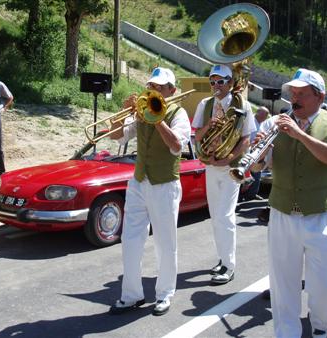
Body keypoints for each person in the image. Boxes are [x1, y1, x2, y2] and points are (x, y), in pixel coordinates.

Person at [255, 68, 327, 338]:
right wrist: (257, 153)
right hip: (281, 214)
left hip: (318, 215)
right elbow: (257, 165)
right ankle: (287, 333)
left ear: (319, 96)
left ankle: (320, 326)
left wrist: (300, 135)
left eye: (301, 94)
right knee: (282, 284)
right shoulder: (275, 123)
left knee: (323, 286)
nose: (294, 99)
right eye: (292, 93)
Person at [108, 67, 191, 316]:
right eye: (151, 85)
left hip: (165, 183)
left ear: (171, 91)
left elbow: (177, 146)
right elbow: (116, 137)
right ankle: (131, 295)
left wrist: (157, 119)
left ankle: (164, 294)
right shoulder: (141, 110)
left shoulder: (179, 112)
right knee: (130, 240)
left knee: (165, 243)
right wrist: (123, 113)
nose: (153, 90)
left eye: (159, 87)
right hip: (138, 181)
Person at [192, 64, 256, 285]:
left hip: (230, 167)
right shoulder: (204, 104)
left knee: (226, 215)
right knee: (215, 215)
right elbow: (197, 137)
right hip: (211, 164)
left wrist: (229, 158)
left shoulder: (243, 105)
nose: (216, 86)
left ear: (230, 83)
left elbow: (247, 139)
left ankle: (229, 266)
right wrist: (210, 124)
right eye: (212, 82)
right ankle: (223, 258)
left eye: (221, 82)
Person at [244, 106, 270, 201]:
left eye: (266, 115)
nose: (265, 117)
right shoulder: (250, 121)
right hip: (247, 151)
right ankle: (241, 196)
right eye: (264, 114)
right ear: (258, 113)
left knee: (257, 175)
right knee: (245, 175)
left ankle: (252, 194)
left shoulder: (263, 124)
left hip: (258, 152)